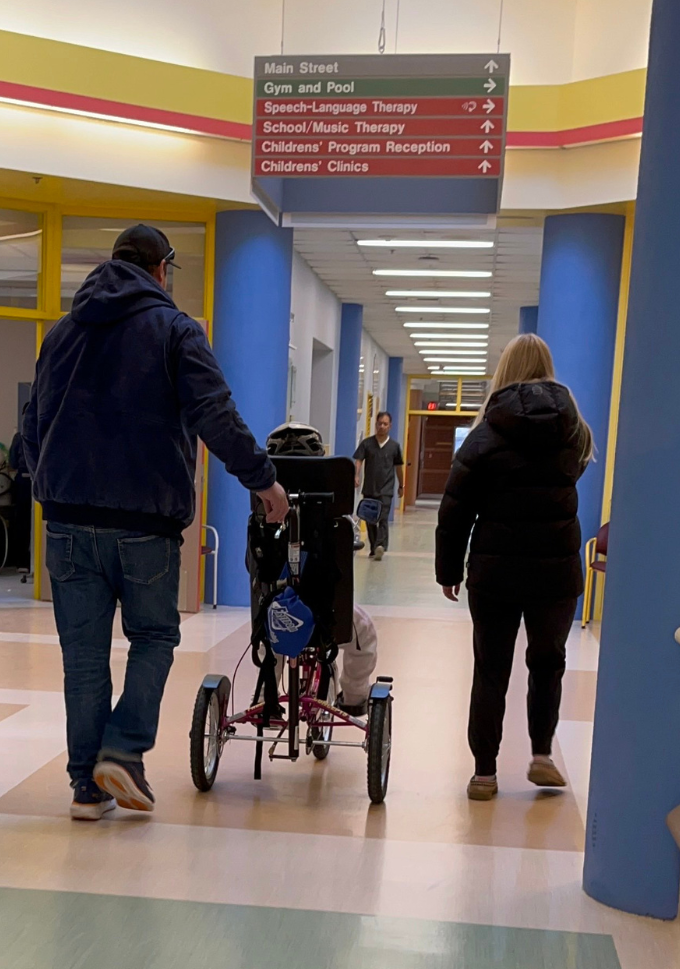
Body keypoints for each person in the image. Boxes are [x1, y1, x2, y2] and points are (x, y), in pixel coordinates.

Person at [22, 224, 289, 820]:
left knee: (83, 656)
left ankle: (86, 791)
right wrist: (264, 480)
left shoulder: (61, 333)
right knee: (154, 638)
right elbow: (214, 414)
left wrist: (50, 489)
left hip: (67, 522)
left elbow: (32, 427)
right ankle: (121, 751)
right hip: (145, 521)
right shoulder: (174, 331)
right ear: (162, 269)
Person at [434, 334, 593, 801]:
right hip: (556, 571)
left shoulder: (486, 433)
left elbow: (455, 507)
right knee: (548, 664)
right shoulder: (574, 430)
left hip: (495, 572)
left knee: (491, 670)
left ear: (505, 370)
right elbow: (572, 475)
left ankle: (485, 773)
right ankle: (541, 754)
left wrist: (449, 570)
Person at [264, 422, 379, 712]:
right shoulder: (339, 522)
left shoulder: (259, 522)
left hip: (275, 610)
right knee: (363, 632)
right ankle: (353, 700)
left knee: (269, 633)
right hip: (328, 610)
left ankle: (266, 698)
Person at [353, 411, 404, 560]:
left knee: (382, 517)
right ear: (376, 425)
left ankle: (380, 546)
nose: (382, 426)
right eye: (380, 423)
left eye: (385, 424)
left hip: (386, 489)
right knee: (370, 519)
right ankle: (374, 547)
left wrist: (402, 485)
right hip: (370, 488)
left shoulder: (394, 446)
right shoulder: (367, 444)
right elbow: (358, 460)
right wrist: (356, 475)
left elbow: (399, 467)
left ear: (390, 426)